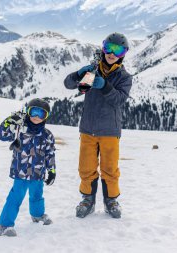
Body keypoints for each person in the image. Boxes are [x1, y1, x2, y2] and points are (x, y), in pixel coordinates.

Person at [63, 32, 132, 219]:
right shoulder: (93, 71)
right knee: (86, 167)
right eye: (108, 48)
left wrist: (105, 86)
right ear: (103, 49)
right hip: (88, 128)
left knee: (110, 169)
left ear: (123, 54)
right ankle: (88, 199)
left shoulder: (124, 77)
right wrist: (79, 74)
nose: (111, 53)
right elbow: (69, 84)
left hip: (110, 130)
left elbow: (119, 100)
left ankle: (111, 201)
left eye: (117, 50)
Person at [0, 98, 56, 236]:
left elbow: (50, 154)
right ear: (27, 112)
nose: (36, 117)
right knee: (16, 197)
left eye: (41, 114)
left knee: (37, 195)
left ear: (46, 117)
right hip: (21, 172)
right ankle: (4, 225)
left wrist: (51, 170)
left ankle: (37, 215)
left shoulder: (47, 135)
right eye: (33, 112)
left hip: (38, 172)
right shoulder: (19, 130)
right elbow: (1, 135)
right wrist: (9, 121)